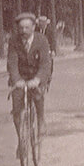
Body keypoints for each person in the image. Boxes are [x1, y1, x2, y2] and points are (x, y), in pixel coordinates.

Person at [8, 12, 52, 152]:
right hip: (20, 78)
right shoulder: (13, 41)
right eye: (21, 28)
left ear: (34, 27)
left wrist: (38, 79)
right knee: (16, 109)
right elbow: (12, 63)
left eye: (27, 28)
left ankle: (40, 121)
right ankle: (21, 141)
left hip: (37, 76)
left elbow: (45, 63)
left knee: (38, 95)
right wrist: (17, 80)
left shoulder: (42, 40)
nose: (23, 31)